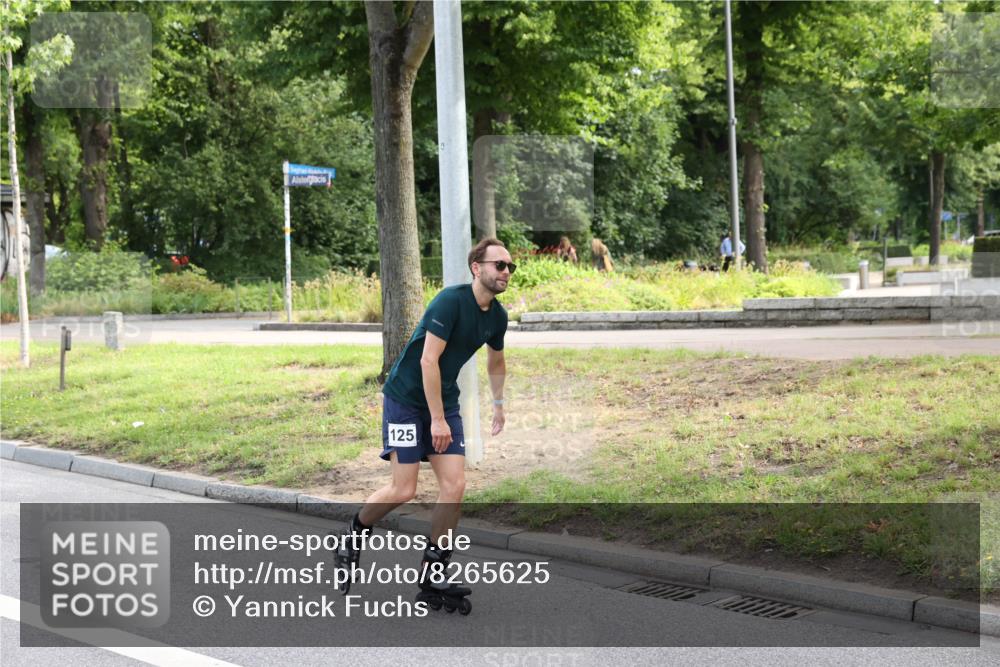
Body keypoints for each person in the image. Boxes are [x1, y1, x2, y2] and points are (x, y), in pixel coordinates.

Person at [335, 237, 512, 612]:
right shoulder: (451, 301)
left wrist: (498, 404)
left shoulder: (497, 317)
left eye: (510, 267)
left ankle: (434, 571)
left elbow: (496, 361)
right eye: (499, 265)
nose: (506, 272)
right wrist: (434, 420)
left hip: (442, 400)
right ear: (477, 268)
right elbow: (427, 361)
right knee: (404, 489)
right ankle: (354, 532)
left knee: (455, 484)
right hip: (404, 400)